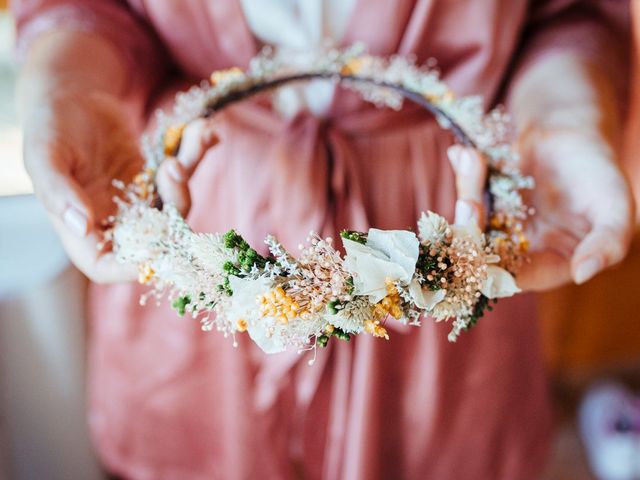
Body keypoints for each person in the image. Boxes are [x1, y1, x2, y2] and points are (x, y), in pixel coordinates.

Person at [12, 1, 634, 479]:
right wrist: (70, 76)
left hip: (448, 207)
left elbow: (571, 13)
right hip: (202, 192)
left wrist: (566, 113)